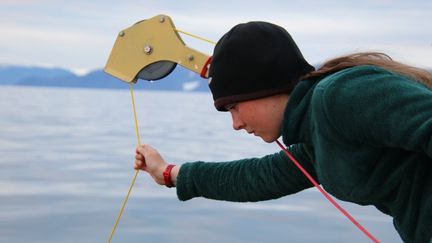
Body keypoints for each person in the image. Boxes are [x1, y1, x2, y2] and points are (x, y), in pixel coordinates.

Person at [134, 21, 432, 243]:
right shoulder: (317, 136)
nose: (235, 124)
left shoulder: (340, 95)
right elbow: (258, 178)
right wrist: (169, 173)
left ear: (263, 88)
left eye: (233, 107)